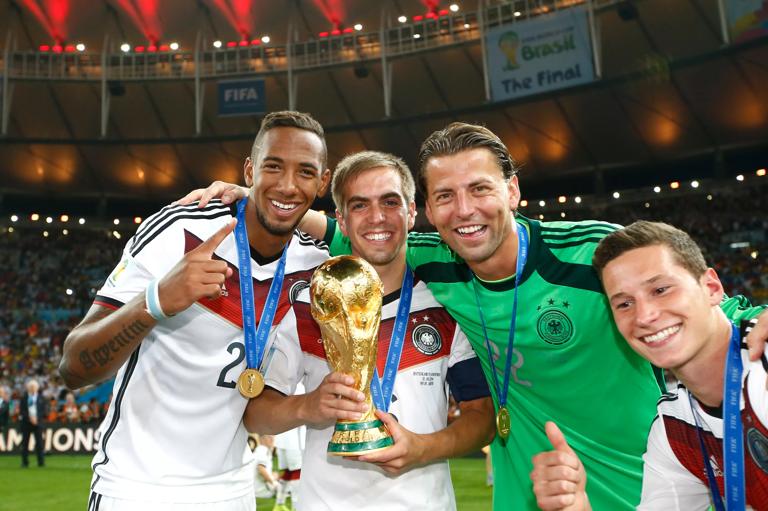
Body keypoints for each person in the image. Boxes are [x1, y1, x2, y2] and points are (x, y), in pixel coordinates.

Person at [180, 122, 768, 509]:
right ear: (427, 213)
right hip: (526, 492)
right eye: (445, 198)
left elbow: (694, 297)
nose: (464, 212)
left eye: (480, 189)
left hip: (641, 488)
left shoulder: (592, 252)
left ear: (513, 191)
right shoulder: (434, 260)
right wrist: (256, 196)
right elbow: (356, 225)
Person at [58, 111, 331, 510]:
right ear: (250, 169)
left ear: (322, 182)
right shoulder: (180, 229)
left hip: (233, 491)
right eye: (273, 167)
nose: (288, 184)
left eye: (305, 172)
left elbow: (381, 237)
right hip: (137, 488)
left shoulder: (314, 263)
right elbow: (74, 366)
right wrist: (155, 302)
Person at [244, 151, 495, 510]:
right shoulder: (308, 306)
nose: (377, 217)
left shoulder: (448, 305)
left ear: (411, 212)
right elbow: (256, 413)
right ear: (341, 222)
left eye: (390, 202)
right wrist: (307, 406)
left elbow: (481, 414)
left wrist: (423, 447)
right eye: (360, 205)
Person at [530, 221, 767, 510]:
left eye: (661, 289)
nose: (644, 315)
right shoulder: (674, 428)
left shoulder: (762, 368)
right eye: (625, 304)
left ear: (711, 288)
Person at [20, 379, 47, 468]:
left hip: (38, 423)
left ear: (37, 388)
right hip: (26, 423)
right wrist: (30, 418)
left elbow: (44, 411)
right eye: (31, 387)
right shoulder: (24, 398)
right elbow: (22, 411)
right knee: (25, 444)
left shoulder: (41, 398)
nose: (32, 388)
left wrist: (37, 419)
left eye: (34, 387)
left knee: (39, 443)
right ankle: (24, 462)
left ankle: (41, 462)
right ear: (28, 388)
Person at [252, 434, 279, 500]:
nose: (272, 439)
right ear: (262, 439)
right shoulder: (262, 450)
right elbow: (261, 469)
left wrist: (272, 476)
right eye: (269, 437)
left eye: (273, 436)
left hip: (257, 490)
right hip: (261, 492)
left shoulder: (261, 450)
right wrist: (275, 484)